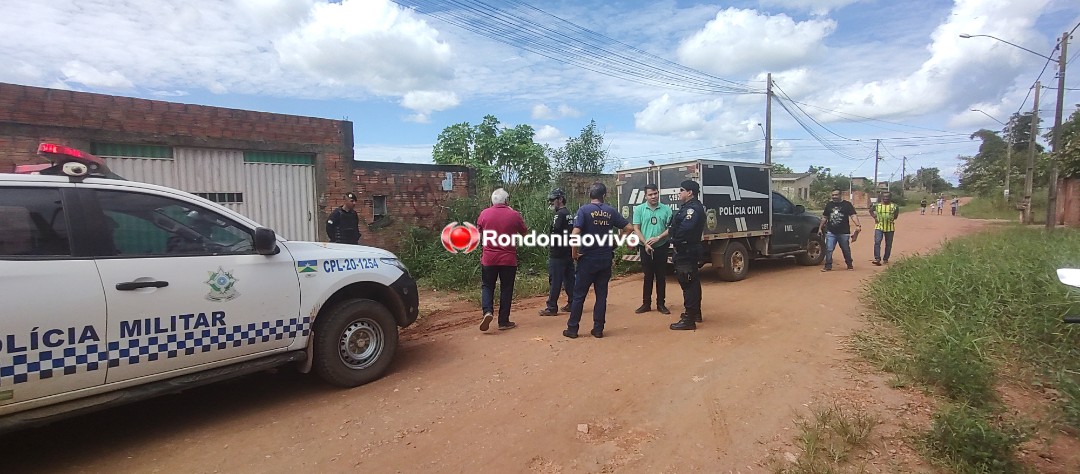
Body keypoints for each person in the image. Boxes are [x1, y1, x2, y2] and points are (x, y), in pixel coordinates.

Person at [563, 182, 635, 339]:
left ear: (590, 195)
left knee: (579, 295)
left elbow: (575, 234)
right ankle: (598, 329)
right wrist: (617, 242)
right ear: (604, 195)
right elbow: (629, 228)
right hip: (605, 259)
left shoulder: (583, 210)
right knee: (601, 295)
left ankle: (572, 329)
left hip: (587, 259)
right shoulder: (610, 211)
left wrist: (574, 253)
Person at [476, 188, 528, 332]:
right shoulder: (514, 214)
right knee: (506, 288)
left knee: (487, 286)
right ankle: (503, 321)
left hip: (489, 258)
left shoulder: (484, 214)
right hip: (508, 259)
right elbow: (524, 233)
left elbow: (479, 233)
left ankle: (487, 311)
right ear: (506, 201)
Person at [669, 180, 706, 331]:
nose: (679, 193)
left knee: (688, 283)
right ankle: (695, 313)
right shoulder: (690, 207)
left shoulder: (692, 209)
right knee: (693, 282)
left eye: (681, 190)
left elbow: (685, 229)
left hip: (686, 250)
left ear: (690, 192)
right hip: (689, 249)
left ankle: (689, 319)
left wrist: (674, 240)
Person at [632, 184, 673, 315]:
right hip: (645, 247)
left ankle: (661, 304)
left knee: (661, 276)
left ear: (658, 193)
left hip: (661, 246)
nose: (653, 196)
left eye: (655, 193)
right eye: (650, 194)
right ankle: (646, 304)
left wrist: (658, 237)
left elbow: (671, 228)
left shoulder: (666, 209)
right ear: (645, 196)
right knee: (648, 276)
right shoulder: (639, 210)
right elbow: (636, 228)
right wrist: (645, 243)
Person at [538, 188, 575, 316]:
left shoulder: (559, 215)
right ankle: (573, 303)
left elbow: (555, 231)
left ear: (560, 199)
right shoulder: (568, 213)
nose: (551, 202)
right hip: (568, 251)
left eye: (553, 200)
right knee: (569, 280)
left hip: (558, 253)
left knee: (555, 280)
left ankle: (551, 307)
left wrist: (551, 245)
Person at [819, 188, 862, 271]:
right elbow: (825, 217)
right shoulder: (829, 205)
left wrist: (858, 225)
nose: (834, 197)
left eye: (836, 195)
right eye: (833, 195)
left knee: (845, 249)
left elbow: (853, 215)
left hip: (844, 232)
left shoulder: (847, 204)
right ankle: (828, 266)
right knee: (829, 249)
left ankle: (849, 264)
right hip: (831, 232)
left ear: (840, 195)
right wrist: (820, 228)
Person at [869, 191, 900, 266]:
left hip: (890, 228)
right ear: (882, 197)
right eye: (884, 197)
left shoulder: (895, 206)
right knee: (877, 242)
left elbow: (895, 216)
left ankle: (886, 258)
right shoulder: (877, 205)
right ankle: (877, 259)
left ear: (890, 198)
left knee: (888, 244)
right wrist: (875, 217)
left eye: (887, 197)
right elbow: (870, 211)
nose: (886, 198)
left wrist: (890, 218)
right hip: (879, 226)